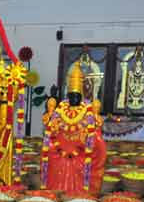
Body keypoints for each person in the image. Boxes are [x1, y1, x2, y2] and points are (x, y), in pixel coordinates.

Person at [41, 66, 106, 194]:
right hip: (60, 151)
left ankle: (79, 199)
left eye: (76, 96)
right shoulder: (60, 109)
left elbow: (94, 132)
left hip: (81, 152)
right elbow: (51, 131)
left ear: (81, 95)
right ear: (68, 95)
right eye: (71, 95)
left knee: (97, 147)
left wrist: (92, 134)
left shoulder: (87, 110)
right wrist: (50, 122)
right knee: (50, 153)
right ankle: (57, 196)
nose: (74, 98)